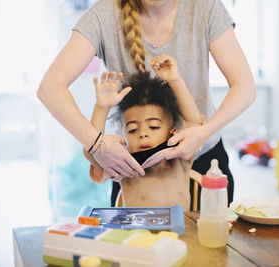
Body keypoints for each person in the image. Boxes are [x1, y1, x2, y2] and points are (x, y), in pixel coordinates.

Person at [37, 0, 255, 209]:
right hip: (130, 163)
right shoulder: (103, 15)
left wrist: (203, 132)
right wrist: (98, 145)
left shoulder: (205, 7)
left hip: (205, 161)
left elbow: (245, 87)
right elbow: (50, 88)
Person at [83, 55, 204, 211]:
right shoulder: (123, 164)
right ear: (124, 136)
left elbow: (194, 125)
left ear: (172, 132)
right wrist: (102, 108)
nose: (143, 134)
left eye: (153, 126)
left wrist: (175, 81)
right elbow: (93, 149)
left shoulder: (179, 158)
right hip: (136, 234)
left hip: (178, 234)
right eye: (133, 129)